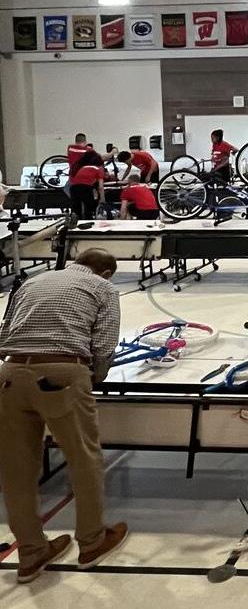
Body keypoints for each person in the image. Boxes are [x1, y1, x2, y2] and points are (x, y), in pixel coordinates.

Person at [0, 249, 128, 584]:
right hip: (63, 372)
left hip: (10, 373)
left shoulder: (32, 281)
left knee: (16, 469)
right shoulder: (104, 288)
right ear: (106, 272)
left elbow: (4, 333)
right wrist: (92, 377)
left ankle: (31, 553)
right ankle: (92, 542)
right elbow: (104, 343)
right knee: (84, 459)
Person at [70, 151, 107, 220]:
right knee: (88, 208)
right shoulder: (99, 169)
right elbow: (101, 187)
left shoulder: (84, 167)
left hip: (73, 188)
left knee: (76, 209)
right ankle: (88, 221)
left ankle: (76, 223)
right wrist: (102, 199)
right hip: (85, 187)